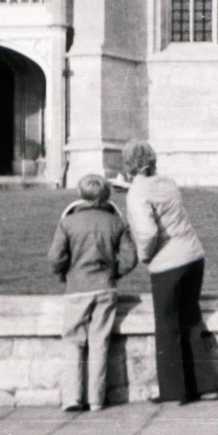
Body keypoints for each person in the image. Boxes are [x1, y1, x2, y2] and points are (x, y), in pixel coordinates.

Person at [123, 140, 218, 405]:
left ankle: (174, 392)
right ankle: (206, 386)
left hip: (168, 263)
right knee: (191, 319)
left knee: (166, 326)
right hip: (193, 256)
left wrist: (145, 255)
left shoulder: (136, 193)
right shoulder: (168, 182)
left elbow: (147, 232)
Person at [48, 174, 137, 413]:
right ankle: (96, 399)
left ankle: (72, 397)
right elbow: (130, 258)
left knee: (74, 342)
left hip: (77, 288)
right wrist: (113, 273)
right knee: (100, 343)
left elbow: (55, 258)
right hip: (105, 287)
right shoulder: (116, 223)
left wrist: (64, 275)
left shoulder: (68, 223)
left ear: (81, 194)